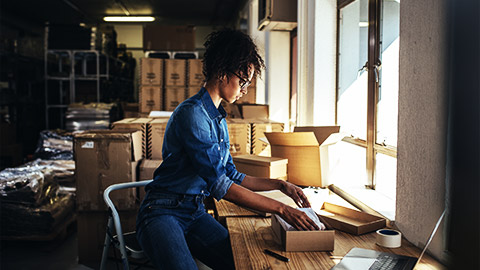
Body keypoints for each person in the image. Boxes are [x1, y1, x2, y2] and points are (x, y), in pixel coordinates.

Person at [136, 29, 319, 270]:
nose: (245, 90)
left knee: (243, 262)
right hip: (162, 212)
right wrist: (282, 209)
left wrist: (280, 185)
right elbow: (220, 186)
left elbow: (231, 175)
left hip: (194, 212)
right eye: (243, 82)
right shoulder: (193, 114)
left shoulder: (218, 118)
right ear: (223, 72)